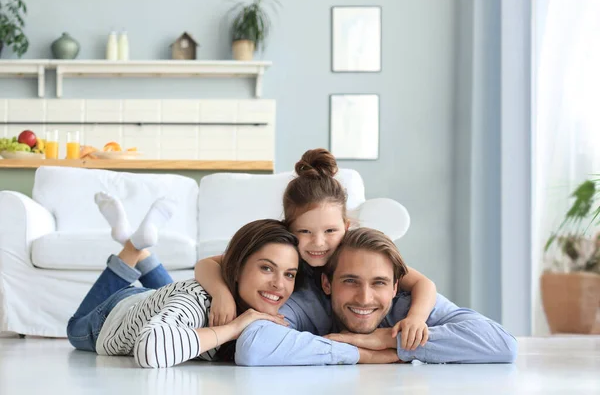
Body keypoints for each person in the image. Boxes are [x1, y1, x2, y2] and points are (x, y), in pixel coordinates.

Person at [195, 148, 438, 352]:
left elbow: (423, 283)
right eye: (305, 232)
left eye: (330, 231)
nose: (319, 243)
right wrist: (221, 294)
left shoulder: (356, 253)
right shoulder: (284, 249)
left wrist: (415, 318)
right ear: (289, 229)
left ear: (346, 226)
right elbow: (207, 263)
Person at [67, 193, 305, 368]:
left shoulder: (276, 306)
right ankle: (132, 248)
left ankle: (135, 243)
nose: (279, 284)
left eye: (289, 274)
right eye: (266, 268)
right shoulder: (195, 303)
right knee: (73, 327)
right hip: (112, 316)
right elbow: (151, 349)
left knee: (167, 295)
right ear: (235, 268)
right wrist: (232, 328)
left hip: (159, 301)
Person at [235, 228, 519, 365]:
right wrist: (360, 353)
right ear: (327, 283)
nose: (364, 298)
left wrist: (386, 340)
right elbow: (254, 346)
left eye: (379, 283)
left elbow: (503, 345)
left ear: (396, 287)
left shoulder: (407, 305)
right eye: (350, 281)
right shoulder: (308, 302)